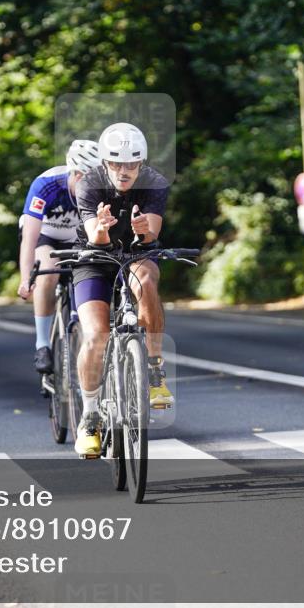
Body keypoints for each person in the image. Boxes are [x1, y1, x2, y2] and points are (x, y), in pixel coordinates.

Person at [72, 122, 173, 456]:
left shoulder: (155, 182)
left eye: (132, 164)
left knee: (146, 281)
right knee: (96, 335)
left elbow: (150, 236)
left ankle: (154, 371)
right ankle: (89, 418)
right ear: (105, 163)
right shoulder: (89, 184)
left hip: (136, 253)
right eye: (117, 164)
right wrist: (101, 229)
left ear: (141, 163)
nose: (125, 171)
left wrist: (143, 230)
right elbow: (94, 238)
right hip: (94, 258)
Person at [17, 140, 101, 373]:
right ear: (75, 173)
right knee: (49, 271)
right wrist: (26, 278)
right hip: (45, 235)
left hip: (77, 238)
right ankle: (42, 344)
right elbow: (29, 239)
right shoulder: (46, 185)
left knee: (88, 273)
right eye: (88, 179)